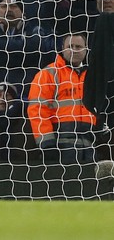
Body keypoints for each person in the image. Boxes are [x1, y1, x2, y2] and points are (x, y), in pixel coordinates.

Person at [27, 33, 97, 164]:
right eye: (70, 46)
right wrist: (46, 143)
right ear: (62, 48)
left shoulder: (92, 75)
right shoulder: (48, 74)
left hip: (88, 146)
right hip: (59, 146)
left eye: (78, 46)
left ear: (86, 49)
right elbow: (37, 110)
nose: (74, 50)